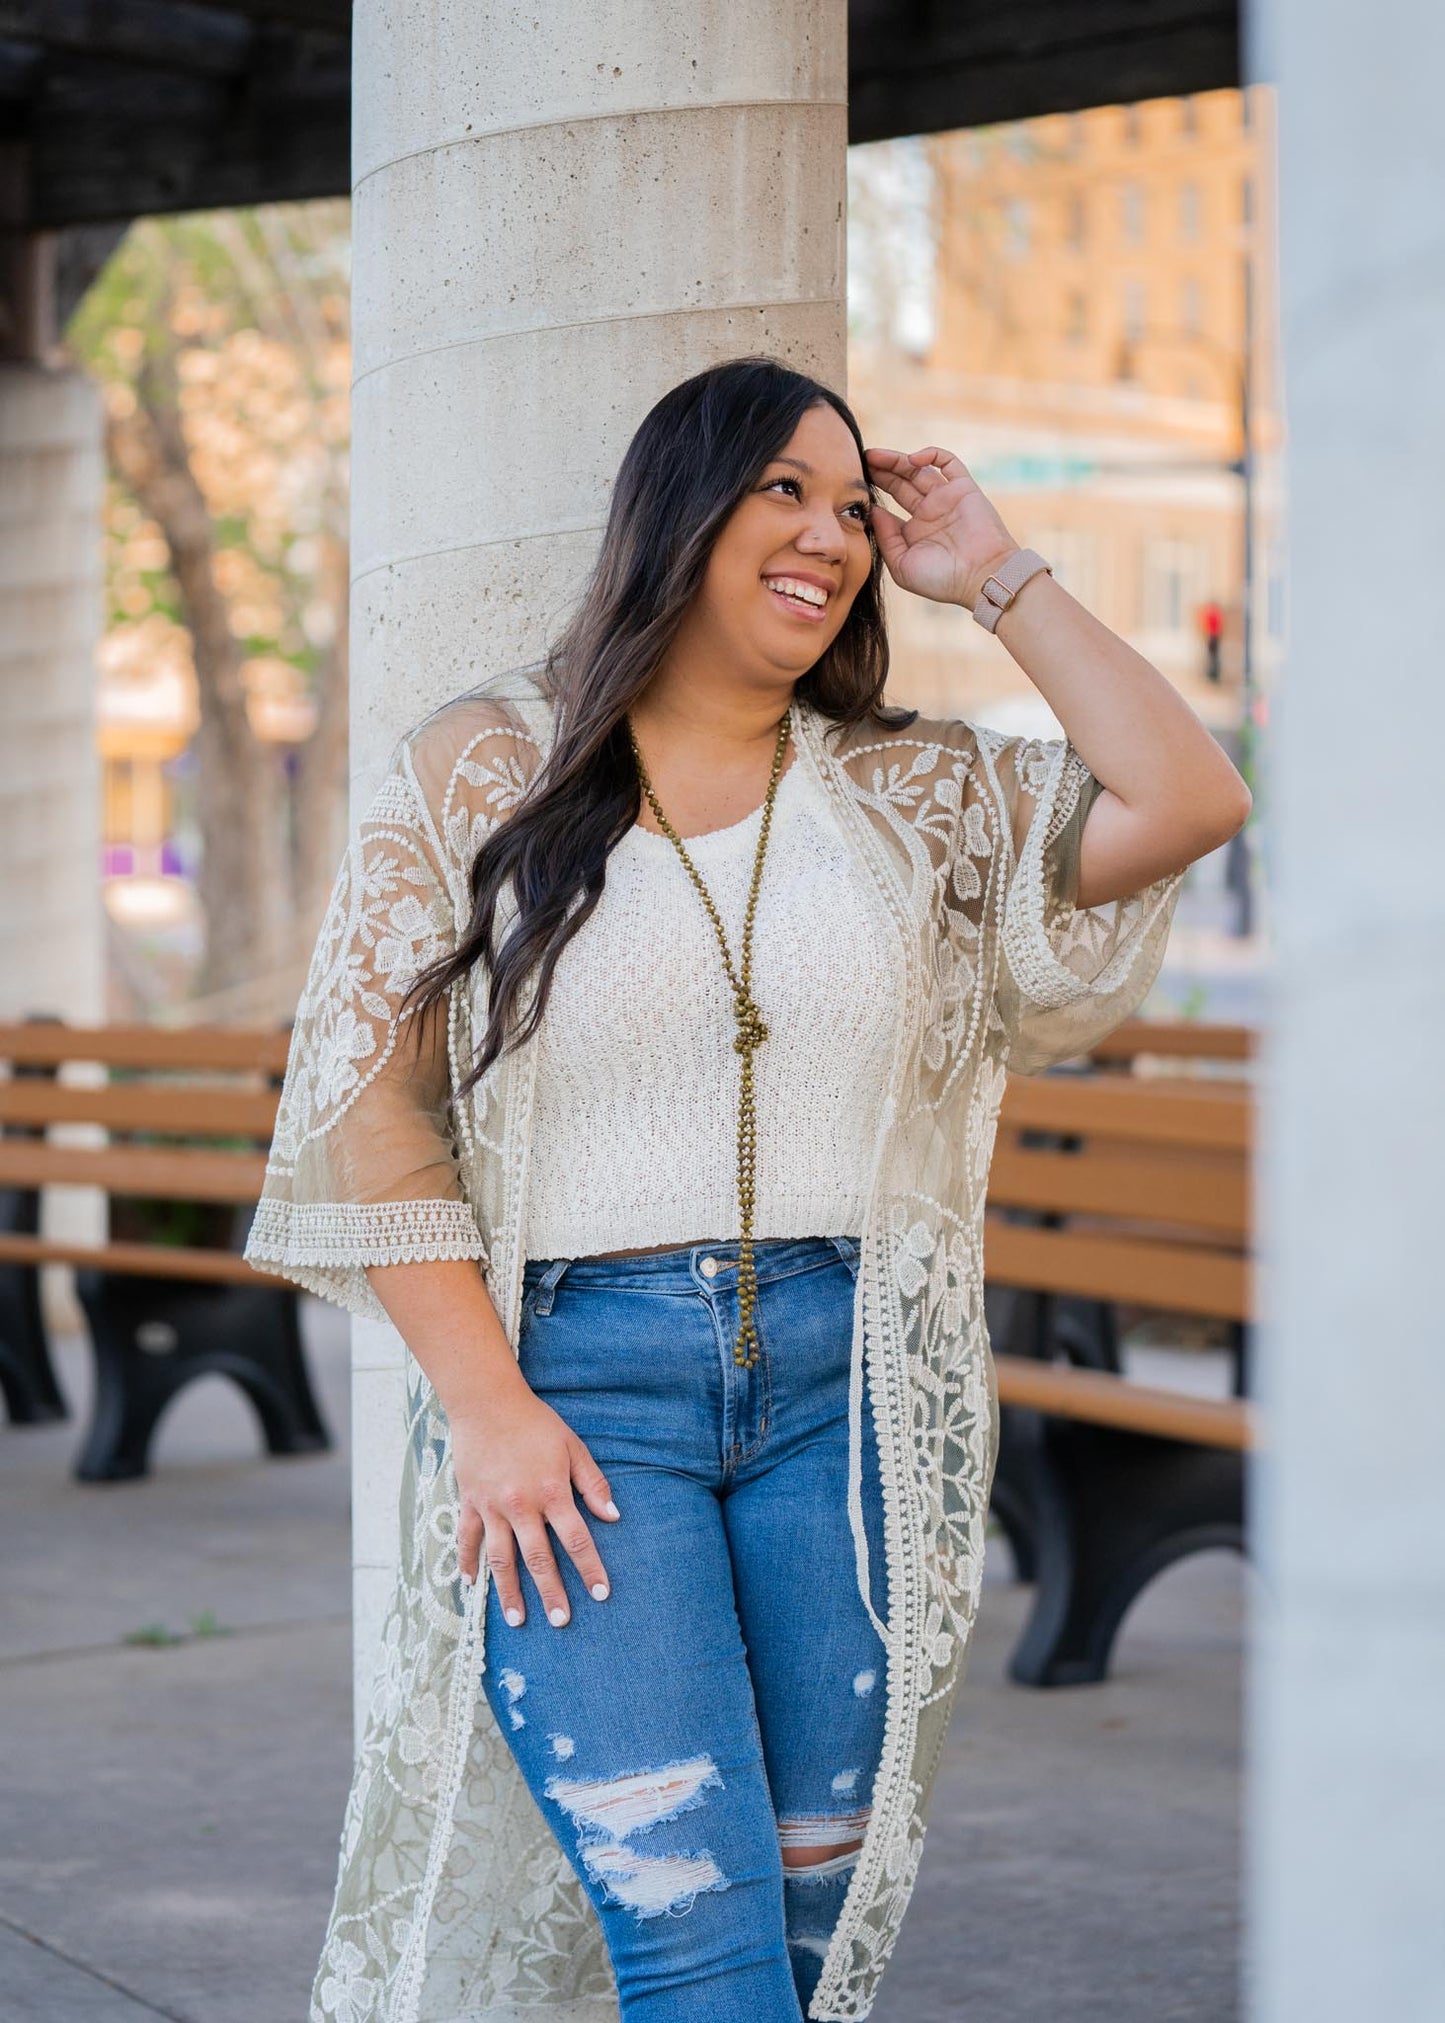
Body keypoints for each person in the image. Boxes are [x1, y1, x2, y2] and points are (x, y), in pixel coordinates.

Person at [248, 356, 1249, 2023]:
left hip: (849, 1393)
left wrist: (994, 571)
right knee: (689, 1926)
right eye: (783, 488)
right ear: (676, 507)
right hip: (583, 1392)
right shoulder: (483, 765)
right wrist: (486, 1408)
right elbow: (377, 1112)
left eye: (854, 506)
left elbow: (1189, 796)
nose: (831, 534)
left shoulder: (909, 789)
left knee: (804, 1930)